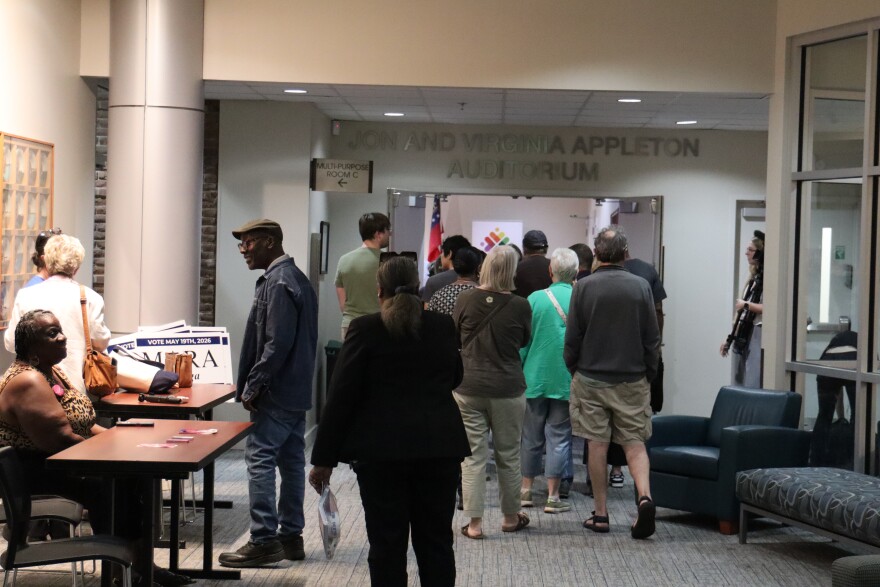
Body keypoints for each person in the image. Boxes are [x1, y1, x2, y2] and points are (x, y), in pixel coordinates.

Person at [309, 256, 470, 587]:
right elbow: (455, 377)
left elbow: (340, 396)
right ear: (418, 287)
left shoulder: (365, 329)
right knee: (437, 542)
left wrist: (323, 460)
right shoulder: (442, 326)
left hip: (380, 453)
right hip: (439, 448)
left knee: (386, 544)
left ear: (379, 290)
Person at [0, 310, 191, 587]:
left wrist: (123, 441)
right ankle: (121, 570)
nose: (63, 337)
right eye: (52, 334)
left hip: (60, 458)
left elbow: (85, 425)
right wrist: (113, 455)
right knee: (110, 484)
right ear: (32, 348)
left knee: (134, 477)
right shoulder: (28, 380)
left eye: (60, 330)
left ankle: (139, 566)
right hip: (31, 468)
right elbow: (60, 440)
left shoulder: (52, 371)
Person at [219, 219, 318, 568]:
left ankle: (263, 540)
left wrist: (254, 384)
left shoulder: (278, 282)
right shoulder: (295, 278)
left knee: (259, 459)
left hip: (275, 390)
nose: (243, 250)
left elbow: (277, 344)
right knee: (291, 462)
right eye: (242, 244)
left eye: (248, 243)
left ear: (270, 242)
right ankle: (290, 537)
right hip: (295, 388)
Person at [564, 226, 660, 539]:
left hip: (591, 377)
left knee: (597, 445)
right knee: (634, 443)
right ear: (625, 253)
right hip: (632, 377)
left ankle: (601, 513)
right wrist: (649, 373)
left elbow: (573, 336)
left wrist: (575, 369)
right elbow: (651, 337)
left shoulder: (583, 287)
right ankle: (644, 497)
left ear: (596, 253)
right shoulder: (641, 286)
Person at [453, 245, 532, 539]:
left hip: (468, 387)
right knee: (508, 455)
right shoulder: (521, 305)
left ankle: (474, 524)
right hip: (508, 387)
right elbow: (524, 340)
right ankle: (510, 518)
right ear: (512, 271)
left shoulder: (465, 298)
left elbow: (455, 335)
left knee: (472, 457)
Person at [4, 234, 111, 397]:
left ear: (46, 262)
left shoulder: (26, 295)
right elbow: (100, 342)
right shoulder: (90, 297)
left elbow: (11, 343)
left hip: (33, 386)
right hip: (75, 387)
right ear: (76, 267)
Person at [520, 248, 578, 514]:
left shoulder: (534, 299)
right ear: (575, 273)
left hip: (534, 377)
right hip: (566, 378)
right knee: (560, 438)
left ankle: (526, 490)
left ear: (550, 271)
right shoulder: (580, 298)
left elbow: (524, 341)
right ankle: (553, 496)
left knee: (530, 437)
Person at [335, 212, 391, 339]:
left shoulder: (344, 260)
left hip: (350, 325)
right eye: (388, 230)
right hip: (378, 325)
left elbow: (343, 304)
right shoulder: (387, 262)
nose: (389, 234)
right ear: (378, 234)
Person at [720, 230, 764, 388]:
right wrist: (729, 339)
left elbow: (769, 308)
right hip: (744, 332)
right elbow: (743, 314)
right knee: (739, 380)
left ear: (759, 253)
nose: (747, 253)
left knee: (752, 379)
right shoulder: (753, 278)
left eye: (751, 250)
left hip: (757, 331)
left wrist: (746, 305)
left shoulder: (767, 279)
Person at [809, 330, 857, 467]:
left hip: (828, 360)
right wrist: (844, 419)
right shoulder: (866, 345)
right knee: (858, 417)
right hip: (854, 358)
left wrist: (841, 417)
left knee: (824, 416)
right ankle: (852, 462)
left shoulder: (835, 342)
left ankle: (816, 462)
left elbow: (836, 388)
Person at [426, 246, 481, 315]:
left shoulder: (439, 295)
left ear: (455, 265)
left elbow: (429, 318)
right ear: (479, 268)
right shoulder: (482, 296)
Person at [420, 235, 471, 306]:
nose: (441, 255)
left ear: (450, 254)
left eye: (442, 252)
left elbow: (427, 310)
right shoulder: (475, 279)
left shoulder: (433, 281)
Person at [514, 229, 551, 298]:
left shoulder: (516, 268)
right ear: (546, 248)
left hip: (525, 304)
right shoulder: (555, 267)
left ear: (524, 248)